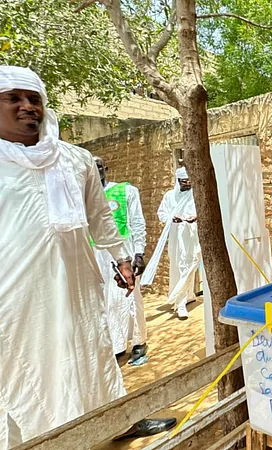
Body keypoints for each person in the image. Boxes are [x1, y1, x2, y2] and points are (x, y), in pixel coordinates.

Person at [0, 66, 175, 448]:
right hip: (15, 298)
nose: (28, 106)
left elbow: (100, 218)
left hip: (78, 282)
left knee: (92, 354)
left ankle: (116, 422)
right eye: (13, 98)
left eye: (34, 99)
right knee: (28, 374)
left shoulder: (76, 160)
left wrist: (122, 258)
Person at [93, 156, 149, 364]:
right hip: (96, 252)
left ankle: (138, 342)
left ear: (105, 168)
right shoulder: (84, 196)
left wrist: (139, 253)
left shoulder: (125, 191)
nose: (95, 171)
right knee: (106, 300)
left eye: (98, 166)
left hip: (123, 251)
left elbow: (137, 221)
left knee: (130, 298)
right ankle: (116, 344)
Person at [150, 167, 201, 320]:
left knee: (189, 266)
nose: (186, 184)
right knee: (179, 267)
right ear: (178, 182)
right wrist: (172, 219)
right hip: (176, 236)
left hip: (191, 235)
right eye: (183, 182)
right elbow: (162, 213)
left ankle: (181, 300)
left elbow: (201, 212)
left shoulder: (195, 195)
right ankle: (183, 300)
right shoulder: (170, 196)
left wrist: (195, 218)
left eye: (188, 181)